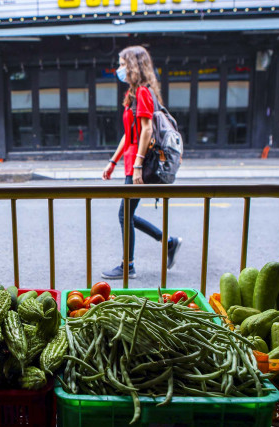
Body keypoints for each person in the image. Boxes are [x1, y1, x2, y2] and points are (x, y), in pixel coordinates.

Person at [101, 45, 182, 279]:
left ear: (134, 66)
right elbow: (129, 134)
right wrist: (112, 162)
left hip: (140, 163)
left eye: (123, 64)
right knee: (126, 214)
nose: (119, 69)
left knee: (124, 214)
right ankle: (167, 242)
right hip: (130, 163)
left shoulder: (144, 93)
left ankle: (129, 265)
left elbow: (146, 130)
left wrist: (137, 165)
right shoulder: (133, 94)